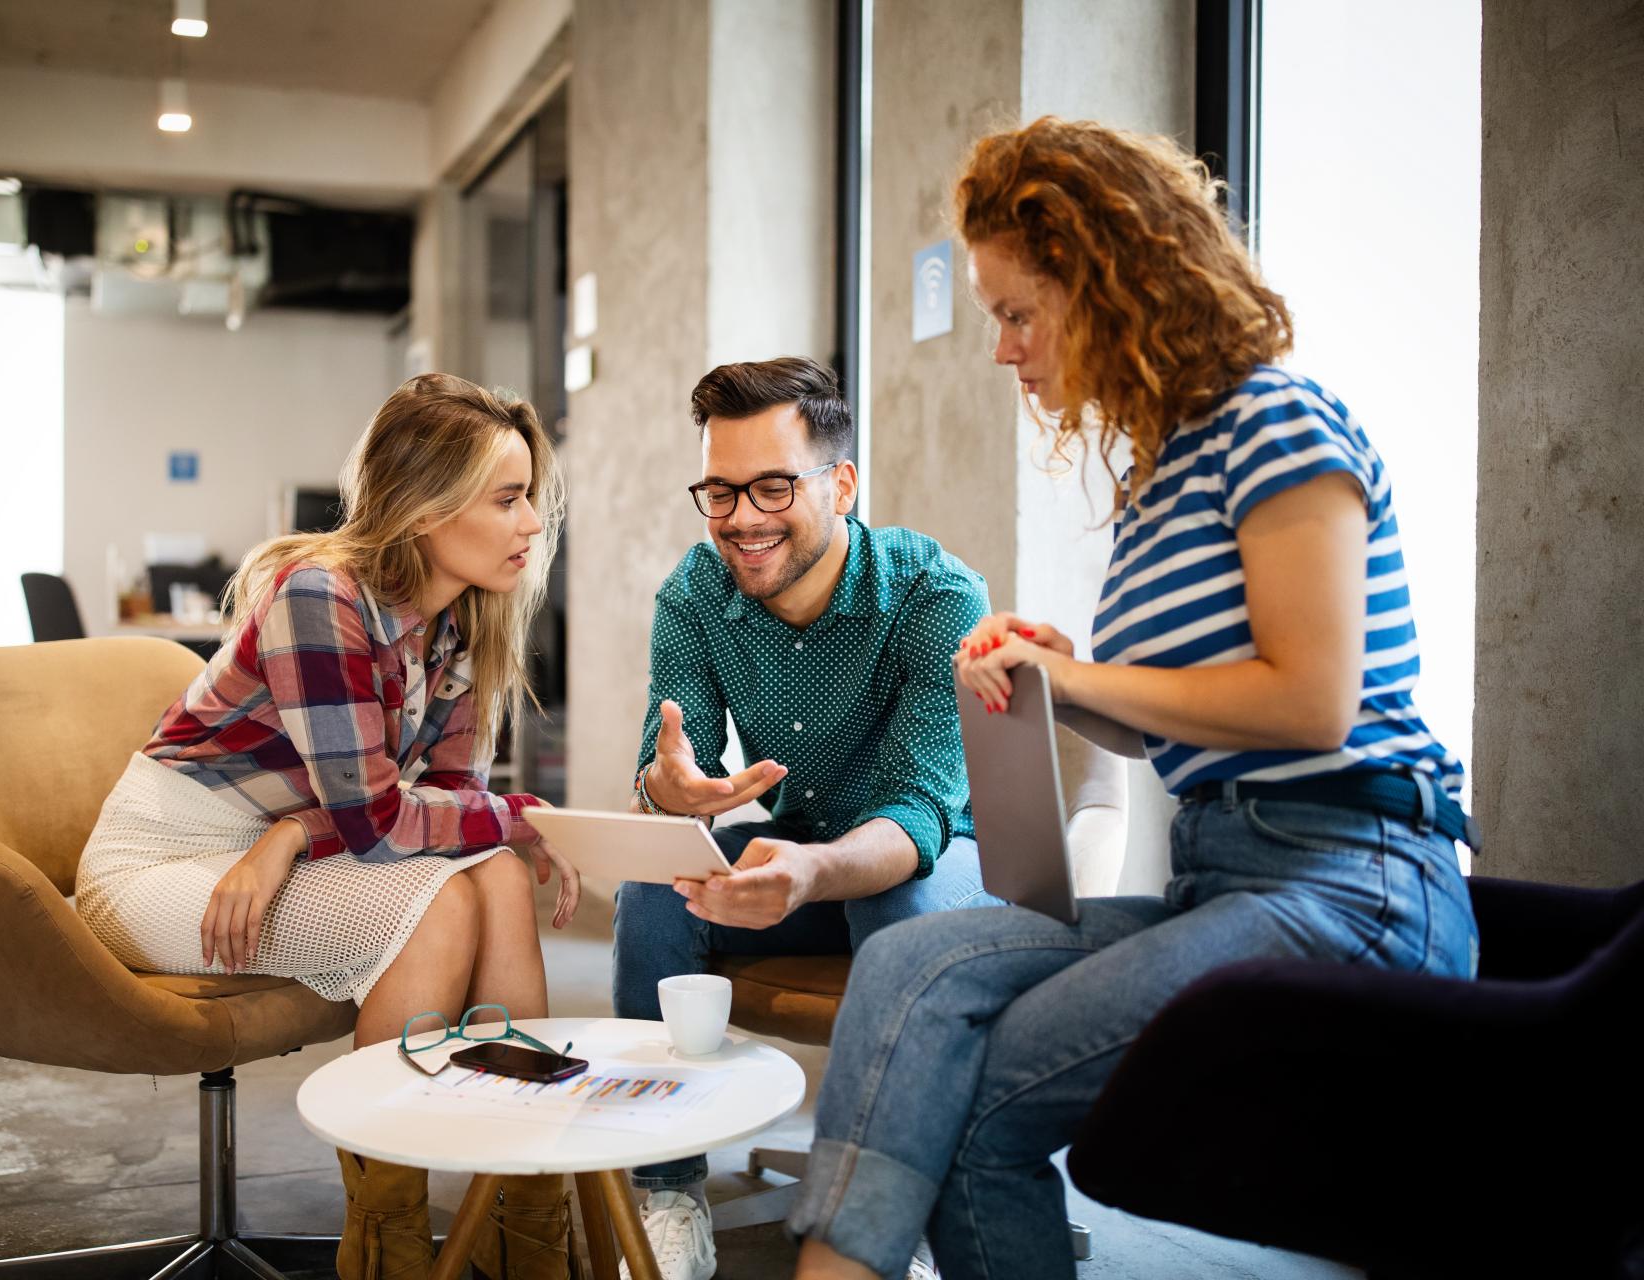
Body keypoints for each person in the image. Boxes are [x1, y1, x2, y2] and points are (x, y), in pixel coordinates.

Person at [787, 117, 1481, 1280]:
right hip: (1229, 874)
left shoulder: (1277, 420)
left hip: (1356, 880)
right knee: (913, 965)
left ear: (1110, 284)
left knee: (974, 1096)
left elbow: (1313, 703)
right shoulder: (1163, 477)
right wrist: (1051, 681)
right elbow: (1182, 716)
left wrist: (1075, 676)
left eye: (1018, 311)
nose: (1003, 350)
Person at [75, 373, 582, 1280]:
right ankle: (384, 1248)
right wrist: (513, 817)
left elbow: (446, 815)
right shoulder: (321, 596)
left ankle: (524, 1213)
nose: (533, 524)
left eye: (530, 500)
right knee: (443, 902)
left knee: (493, 875)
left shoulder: (460, 627)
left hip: (282, 850)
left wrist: (295, 836)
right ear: (429, 507)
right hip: (160, 862)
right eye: (509, 499)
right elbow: (388, 823)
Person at [614, 357, 998, 1280]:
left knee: (896, 920)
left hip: (931, 860)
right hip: (800, 848)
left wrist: (811, 874)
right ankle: (665, 1194)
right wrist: (676, 794)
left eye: (774, 486)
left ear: (842, 482)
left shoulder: (933, 593)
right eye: (720, 490)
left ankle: (892, 1216)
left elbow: (915, 815)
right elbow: (667, 769)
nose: (743, 517)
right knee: (654, 889)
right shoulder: (697, 594)